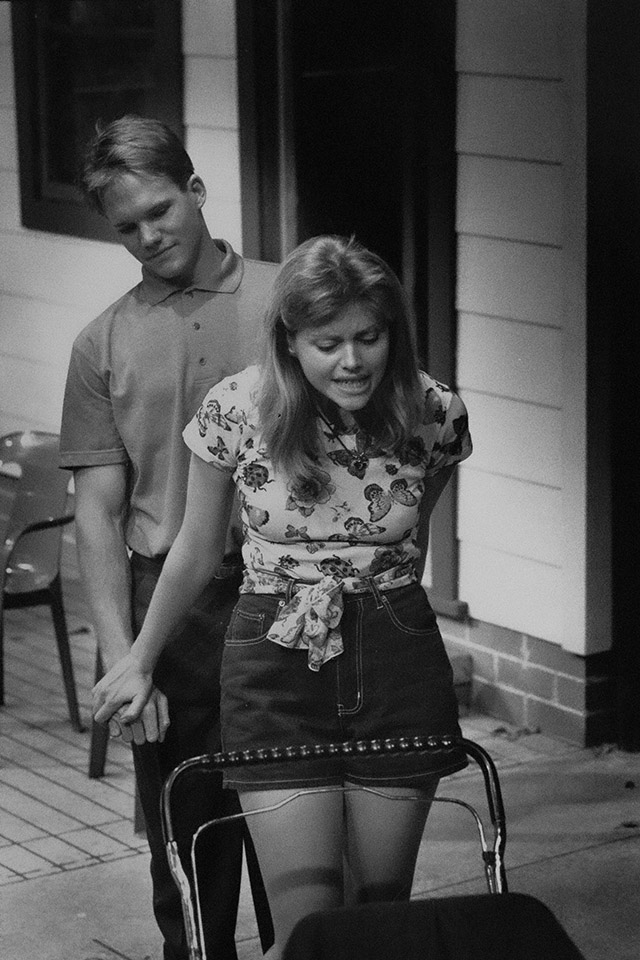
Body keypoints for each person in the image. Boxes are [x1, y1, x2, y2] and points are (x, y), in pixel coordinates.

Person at [92, 234, 473, 959]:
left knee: (380, 912)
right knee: (308, 925)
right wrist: (139, 658)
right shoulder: (238, 408)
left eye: (370, 336)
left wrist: (375, 603)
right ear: (291, 341)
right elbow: (198, 551)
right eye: (329, 342)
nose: (353, 360)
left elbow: (411, 531)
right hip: (274, 662)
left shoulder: (433, 411)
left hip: (395, 660)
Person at [59, 115, 277, 960]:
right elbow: (99, 514)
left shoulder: (288, 300)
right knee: (189, 856)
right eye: (127, 228)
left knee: (300, 839)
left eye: (161, 210)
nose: (149, 236)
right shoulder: (100, 343)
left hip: (289, 594)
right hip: (172, 620)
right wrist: (126, 658)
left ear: (196, 189)